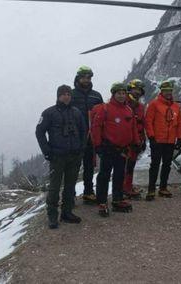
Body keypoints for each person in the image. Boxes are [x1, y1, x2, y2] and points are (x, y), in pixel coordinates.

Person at [36, 85, 87, 229]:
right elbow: (39, 132)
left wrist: (81, 149)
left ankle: (67, 213)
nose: (67, 96)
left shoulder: (77, 112)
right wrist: (47, 151)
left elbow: (84, 131)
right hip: (57, 157)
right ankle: (52, 216)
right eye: (64, 94)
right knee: (54, 187)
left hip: (74, 156)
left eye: (69, 94)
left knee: (70, 187)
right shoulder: (49, 113)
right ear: (58, 96)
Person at [90, 82, 140, 216]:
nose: (122, 96)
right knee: (104, 176)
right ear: (113, 94)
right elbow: (96, 127)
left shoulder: (128, 110)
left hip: (123, 149)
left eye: (124, 93)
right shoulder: (104, 109)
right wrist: (98, 145)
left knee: (119, 175)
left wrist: (136, 142)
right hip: (108, 148)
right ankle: (102, 202)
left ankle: (117, 199)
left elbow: (133, 127)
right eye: (119, 93)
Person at [144, 80, 181, 201]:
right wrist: (151, 136)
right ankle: (151, 189)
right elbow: (148, 121)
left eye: (170, 91)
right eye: (166, 91)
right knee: (155, 165)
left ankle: (163, 188)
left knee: (167, 165)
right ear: (161, 91)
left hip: (170, 141)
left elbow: (180, 123)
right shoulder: (154, 104)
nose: (168, 93)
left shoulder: (176, 106)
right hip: (157, 140)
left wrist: (180, 138)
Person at [70, 65, 103, 204]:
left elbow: (103, 116)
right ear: (78, 78)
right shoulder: (70, 94)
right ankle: (69, 195)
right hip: (75, 137)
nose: (86, 79)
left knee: (89, 166)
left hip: (91, 137)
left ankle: (88, 192)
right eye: (83, 77)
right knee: (72, 167)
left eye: (89, 77)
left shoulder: (96, 95)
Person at [123, 79, 147, 200]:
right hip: (125, 140)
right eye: (135, 89)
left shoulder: (140, 107)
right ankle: (124, 188)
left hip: (137, 140)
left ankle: (127, 186)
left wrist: (143, 139)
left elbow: (142, 124)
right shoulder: (124, 103)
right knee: (124, 165)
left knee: (131, 165)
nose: (137, 92)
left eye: (139, 90)